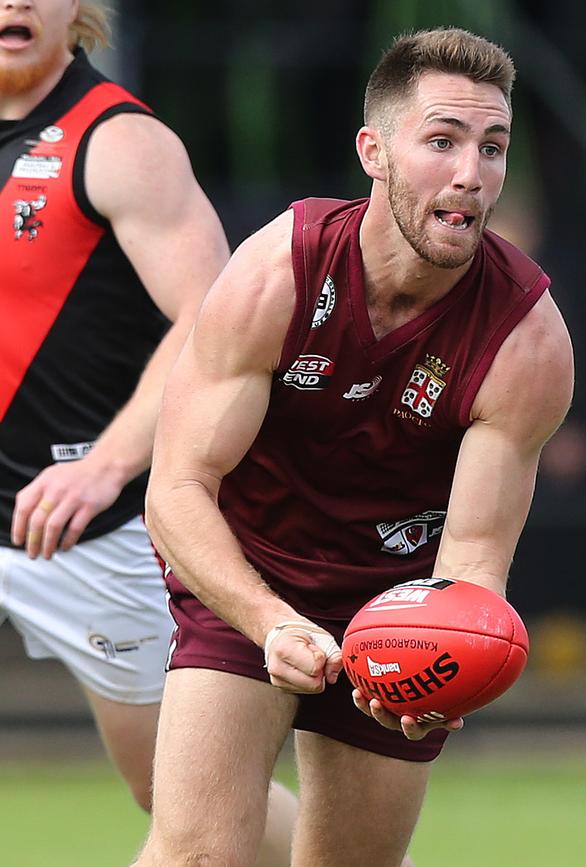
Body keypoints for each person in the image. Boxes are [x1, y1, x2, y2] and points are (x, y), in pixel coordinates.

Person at [138, 26, 574, 867]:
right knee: (198, 855)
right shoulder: (277, 272)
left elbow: (474, 559)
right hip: (249, 567)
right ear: (373, 151)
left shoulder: (529, 341)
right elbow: (177, 489)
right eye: (441, 141)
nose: (470, 174)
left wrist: (449, 669)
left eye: (493, 147)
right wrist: (269, 622)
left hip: (397, 602)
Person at [0, 2, 297, 862]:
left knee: (176, 793)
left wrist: (105, 464)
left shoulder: (122, 142)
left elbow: (209, 317)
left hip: (88, 529)